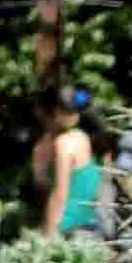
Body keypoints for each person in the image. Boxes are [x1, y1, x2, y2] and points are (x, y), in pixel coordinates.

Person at [31, 85, 105, 240]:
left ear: (54, 113)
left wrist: (47, 236)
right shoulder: (81, 137)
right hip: (90, 221)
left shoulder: (62, 145)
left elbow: (59, 194)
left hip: (67, 227)